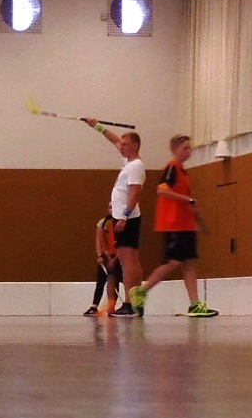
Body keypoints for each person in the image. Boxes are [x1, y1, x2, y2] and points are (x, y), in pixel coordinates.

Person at [134, 133, 215, 317]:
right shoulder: (172, 168)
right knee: (173, 263)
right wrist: (187, 199)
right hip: (174, 225)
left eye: (189, 148)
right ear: (175, 149)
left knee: (190, 263)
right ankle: (142, 290)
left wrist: (193, 211)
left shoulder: (183, 172)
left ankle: (195, 304)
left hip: (187, 224)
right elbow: (162, 189)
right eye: (185, 148)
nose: (188, 151)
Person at [86, 120, 146, 316]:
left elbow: (135, 193)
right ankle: (137, 303)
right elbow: (114, 140)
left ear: (135, 146)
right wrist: (96, 125)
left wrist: (124, 217)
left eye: (125, 144)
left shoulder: (136, 166)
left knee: (128, 262)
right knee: (131, 260)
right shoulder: (129, 163)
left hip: (127, 219)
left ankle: (129, 304)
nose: (121, 147)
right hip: (125, 218)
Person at [86, 216, 124, 317]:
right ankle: (95, 306)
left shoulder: (121, 222)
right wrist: (100, 255)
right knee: (101, 281)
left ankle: (125, 304)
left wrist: (116, 258)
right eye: (110, 208)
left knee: (117, 280)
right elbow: (99, 240)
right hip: (107, 255)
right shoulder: (104, 223)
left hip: (118, 256)